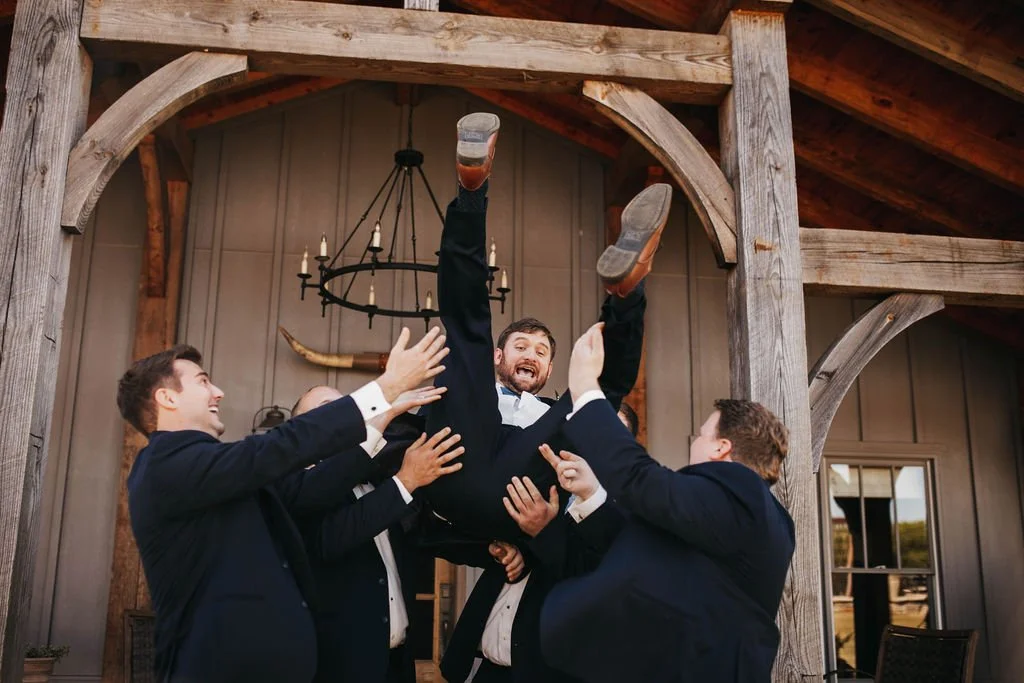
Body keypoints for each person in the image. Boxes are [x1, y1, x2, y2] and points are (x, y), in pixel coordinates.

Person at [428, 112, 670, 683]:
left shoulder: (551, 416)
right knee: (463, 330)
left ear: (549, 368)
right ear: (502, 357)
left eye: (541, 351)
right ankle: (471, 189)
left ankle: (625, 292)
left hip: (516, 490)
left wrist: (516, 539)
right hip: (455, 466)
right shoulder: (467, 387)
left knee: (597, 395)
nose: (531, 355)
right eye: (520, 346)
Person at [117, 328, 447, 683]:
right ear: (167, 397)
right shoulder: (165, 464)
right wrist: (384, 389)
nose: (218, 392)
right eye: (203, 381)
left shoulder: (216, 475)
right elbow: (278, 447)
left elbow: (304, 491)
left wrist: (382, 418)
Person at [538, 324, 796, 683]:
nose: (695, 441)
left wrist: (585, 389)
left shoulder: (743, 493)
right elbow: (652, 546)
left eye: (702, 435)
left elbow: (640, 479)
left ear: (721, 447)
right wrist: (592, 493)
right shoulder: (742, 513)